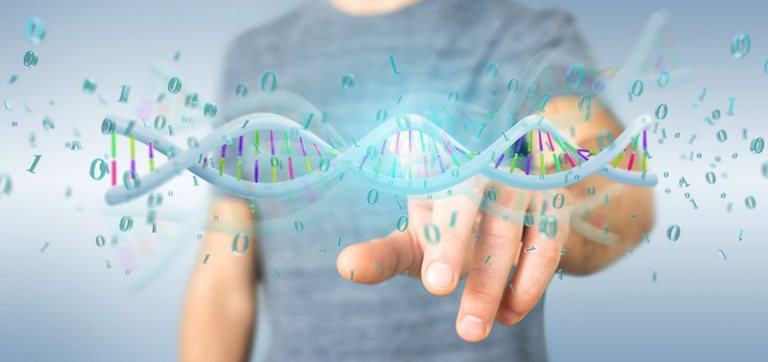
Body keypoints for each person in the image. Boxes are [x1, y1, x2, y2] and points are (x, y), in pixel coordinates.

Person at [180, 0, 654, 360]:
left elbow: (620, 192)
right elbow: (224, 274)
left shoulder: (522, 35)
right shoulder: (254, 56)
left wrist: (547, 194)